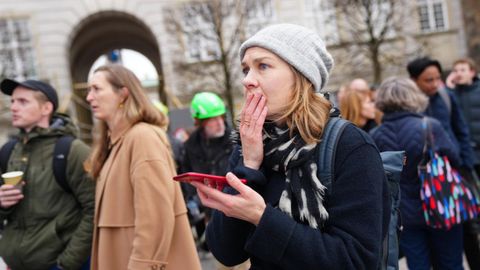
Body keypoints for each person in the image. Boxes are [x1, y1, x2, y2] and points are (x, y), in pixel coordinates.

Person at [189, 23, 389, 269]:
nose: (248, 81)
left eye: (263, 66)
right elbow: (226, 252)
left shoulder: (350, 145)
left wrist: (261, 217)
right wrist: (249, 167)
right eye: (245, 69)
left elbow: (357, 260)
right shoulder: (250, 145)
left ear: (300, 75)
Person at [85, 64, 201, 270]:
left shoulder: (142, 137)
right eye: (88, 90)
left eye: (96, 89)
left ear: (123, 94)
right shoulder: (114, 142)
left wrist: (142, 265)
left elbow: (155, 216)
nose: (89, 97)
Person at [0, 79, 94, 269]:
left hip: (59, 264)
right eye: (13, 102)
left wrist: (67, 264)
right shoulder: (8, 151)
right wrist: (2, 203)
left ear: (46, 108)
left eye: (23, 102)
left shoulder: (72, 150)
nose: (14, 108)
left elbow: (94, 210)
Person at [371, 77, 463, 270]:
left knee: (418, 264)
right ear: (413, 96)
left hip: (403, 214)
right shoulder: (429, 126)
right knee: (450, 263)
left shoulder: (375, 136)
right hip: (440, 205)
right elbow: (455, 159)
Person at [407, 57, 475, 171]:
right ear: (414, 80)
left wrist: (467, 163)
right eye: (428, 80)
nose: (435, 84)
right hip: (423, 170)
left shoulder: (447, 96)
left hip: (454, 164)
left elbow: (461, 131)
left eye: (438, 78)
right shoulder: (407, 104)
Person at [446, 57, 480, 270]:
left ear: (472, 71)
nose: (459, 73)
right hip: (466, 158)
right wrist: (449, 86)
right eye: (455, 69)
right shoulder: (450, 95)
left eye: (463, 69)